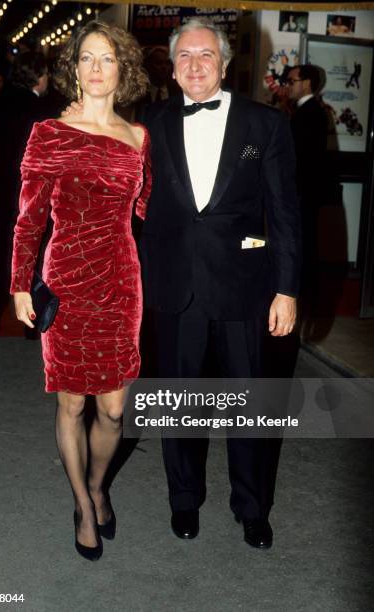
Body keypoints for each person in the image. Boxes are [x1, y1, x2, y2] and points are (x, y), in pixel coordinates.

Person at [139, 18, 301, 549]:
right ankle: (183, 499)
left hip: (245, 288)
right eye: (184, 56)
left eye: (205, 55)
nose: (194, 65)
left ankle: (252, 507)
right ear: (172, 64)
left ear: (225, 64)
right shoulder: (151, 123)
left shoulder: (264, 126)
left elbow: (284, 213)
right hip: (176, 287)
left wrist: (287, 289)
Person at [10, 21, 150, 561]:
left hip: (120, 279)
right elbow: (28, 218)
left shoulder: (140, 139)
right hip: (66, 278)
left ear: (123, 69)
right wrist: (20, 284)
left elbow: (148, 212)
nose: (96, 68)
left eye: (107, 58)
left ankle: (97, 483)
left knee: (114, 409)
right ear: (74, 69)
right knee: (72, 402)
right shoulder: (50, 133)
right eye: (86, 58)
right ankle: (82, 503)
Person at [0, 52, 49, 338]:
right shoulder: (41, 111)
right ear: (38, 77)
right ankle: (31, 324)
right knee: (31, 253)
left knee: (6, 252)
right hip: (27, 192)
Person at [286, 64, 328, 285]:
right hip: (304, 192)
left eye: (291, 82)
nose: (287, 86)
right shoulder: (307, 111)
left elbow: (296, 155)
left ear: (307, 84)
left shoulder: (308, 113)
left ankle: (301, 301)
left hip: (302, 193)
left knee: (302, 248)